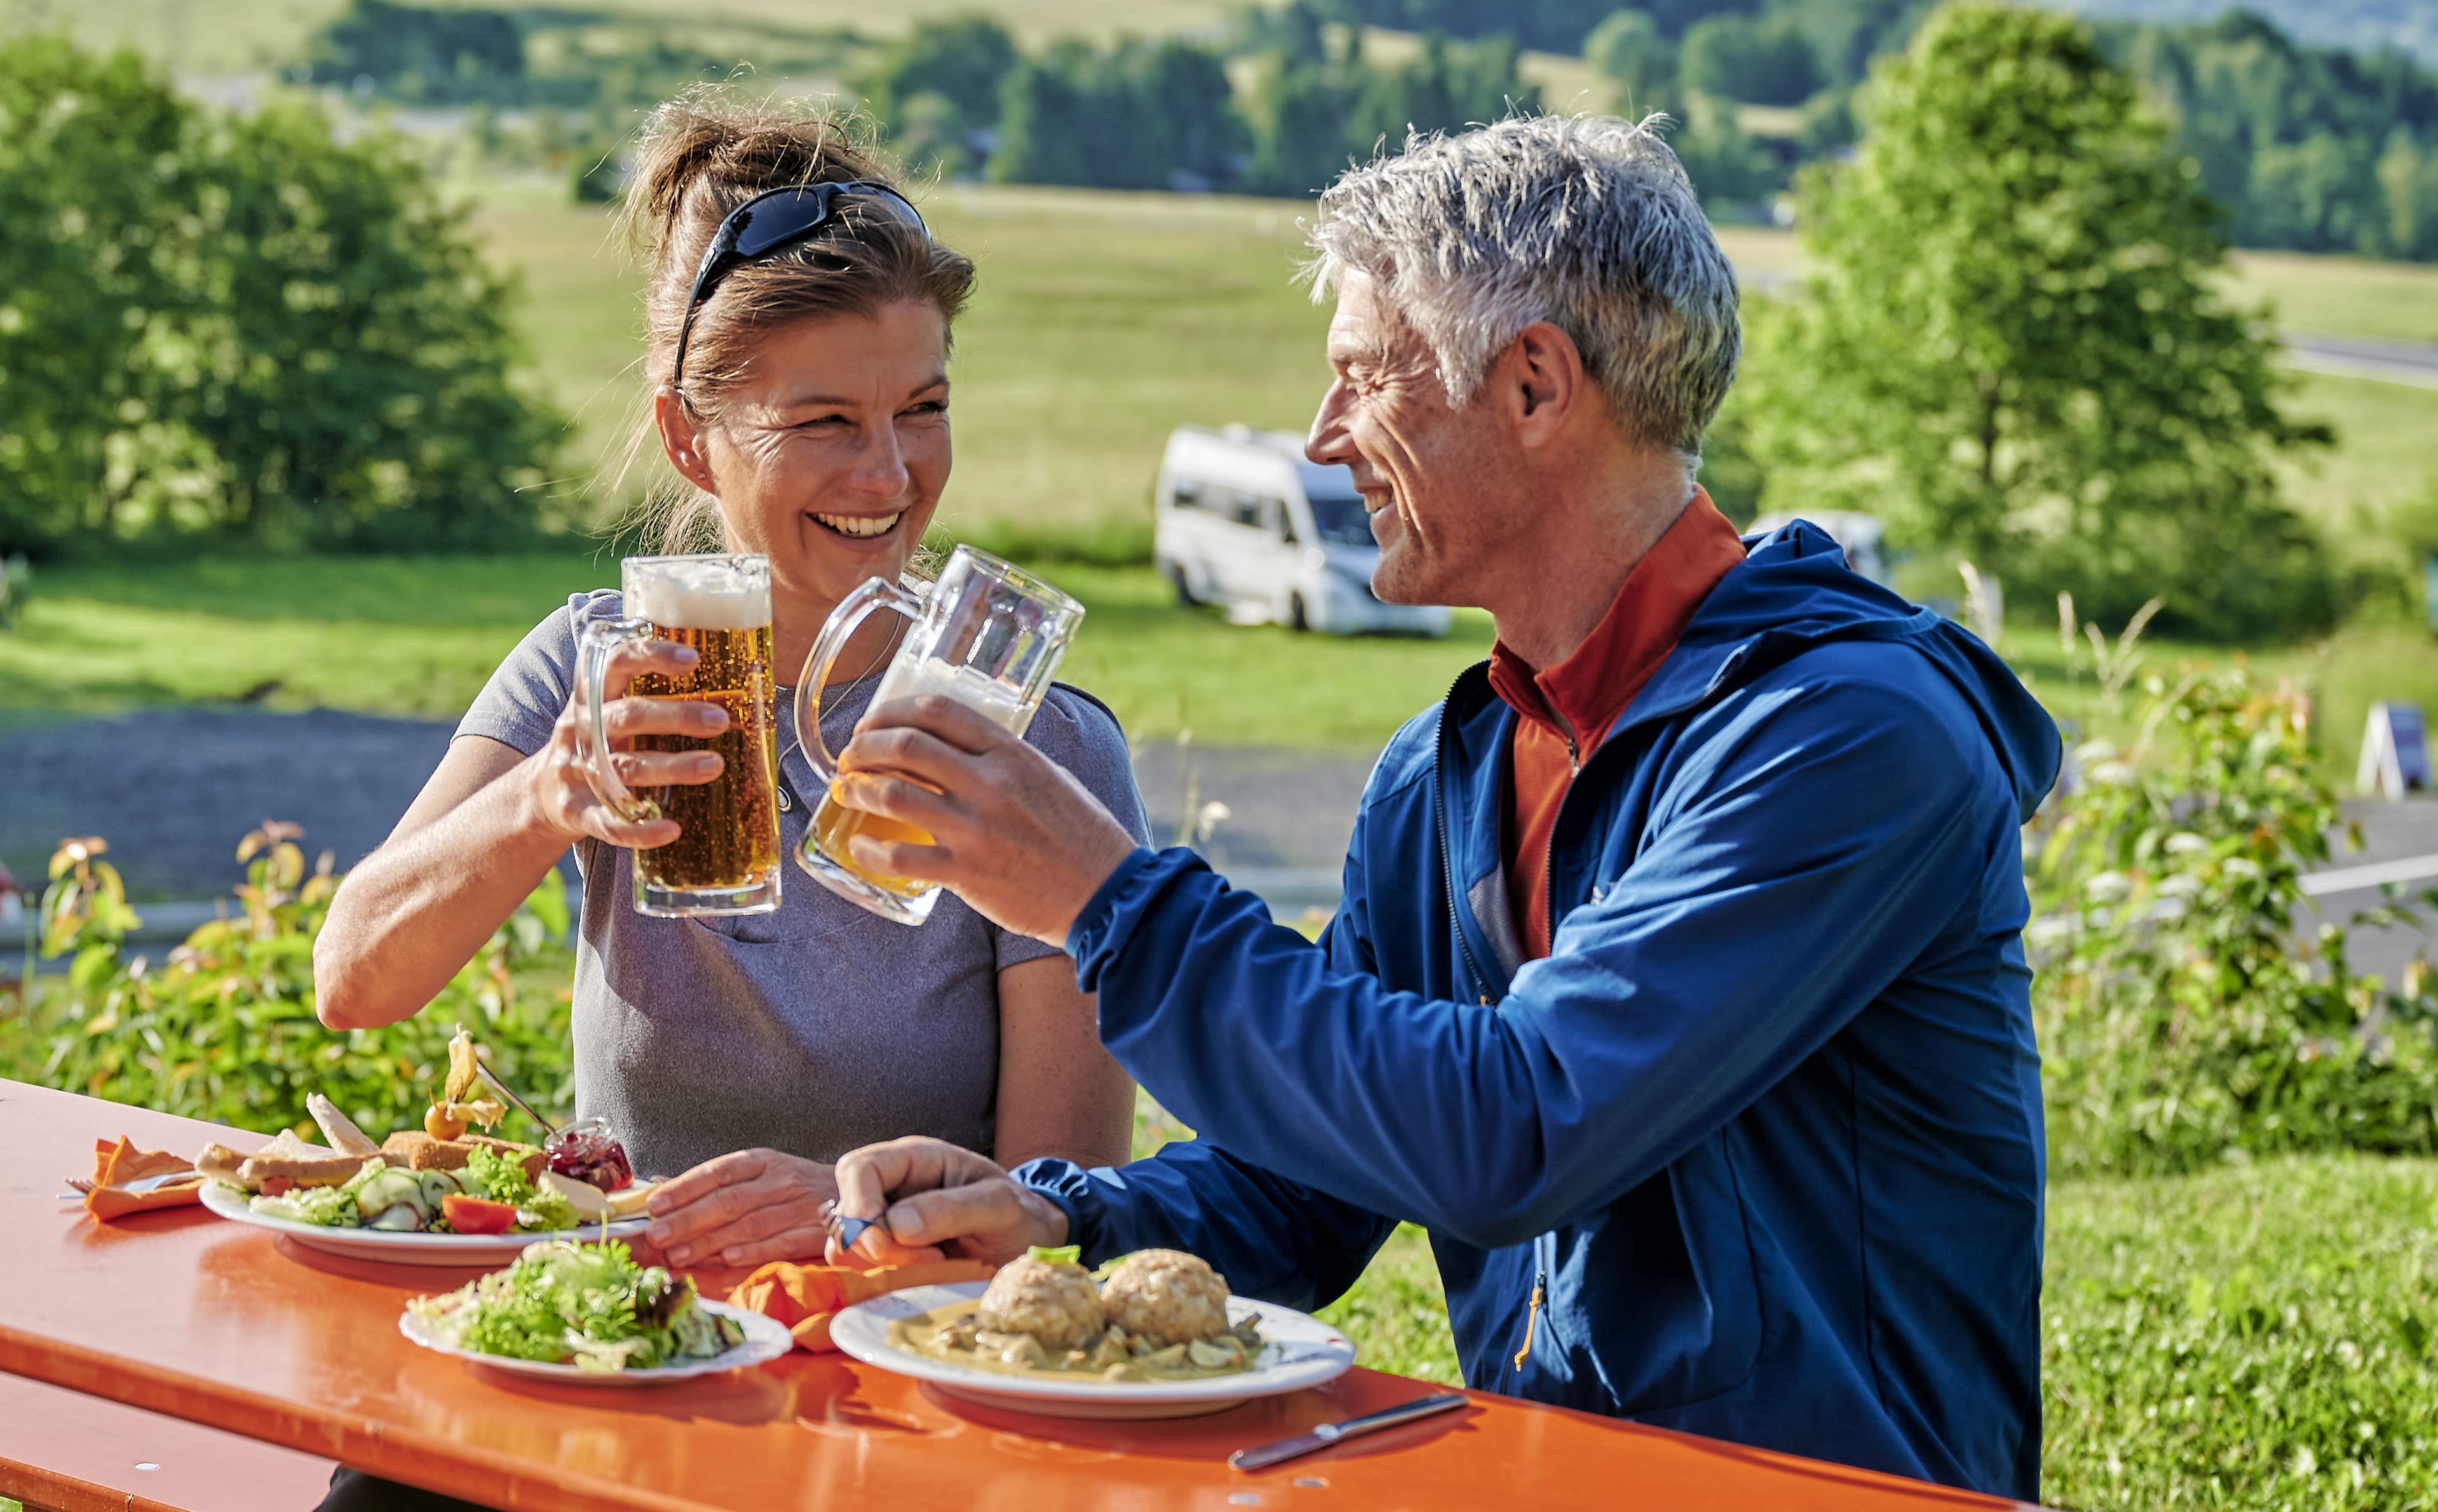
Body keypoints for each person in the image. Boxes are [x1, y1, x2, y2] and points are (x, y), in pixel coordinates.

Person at [818, 117, 2061, 1501]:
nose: (1323, 437)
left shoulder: (1845, 736)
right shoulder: (1448, 766)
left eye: (1362, 376)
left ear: (1533, 382)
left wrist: (1108, 898)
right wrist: (1066, 1210)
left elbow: (1520, 1130)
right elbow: (1322, 1174)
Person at [311, 100, 1144, 1274]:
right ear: (690, 440)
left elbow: (1068, 1210)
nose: (891, 473)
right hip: (613, 1318)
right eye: (825, 422)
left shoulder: (1025, 735)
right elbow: (353, 979)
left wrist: (844, 1220)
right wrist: (544, 799)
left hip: (889, 1344)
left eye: (924, 407)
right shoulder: (595, 666)